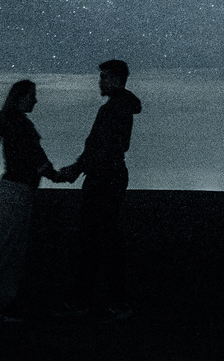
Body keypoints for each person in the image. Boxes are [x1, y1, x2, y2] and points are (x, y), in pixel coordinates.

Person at [0, 79, 68, 324]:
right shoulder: (19, 123)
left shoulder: (13, 122)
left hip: (19, 191)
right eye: (33, 95)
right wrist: (58, 176)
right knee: (1, 248)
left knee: (11, 249)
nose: (36, 100)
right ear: (21, 97)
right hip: (16, 192)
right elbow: (36, 158)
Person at [56, 59, 142, 320]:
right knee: (104, 238)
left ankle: (92, 300)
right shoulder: (119, 107)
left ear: (116, 79)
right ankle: (107, 300)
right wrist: (80, 166)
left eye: (104, 77)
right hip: (108, 177)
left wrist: (77, 168)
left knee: (96, 239)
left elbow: (101, 146)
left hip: (105, 179)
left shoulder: (114, 109)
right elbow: (100, 146)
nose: (100, 81)